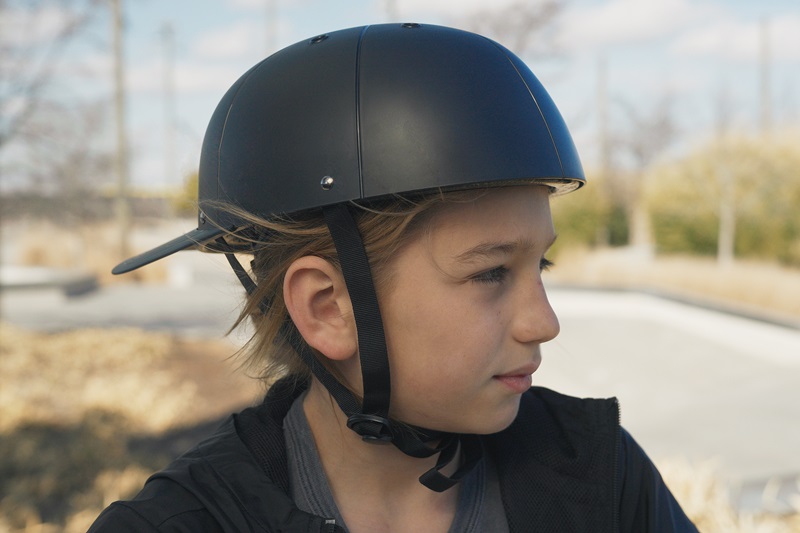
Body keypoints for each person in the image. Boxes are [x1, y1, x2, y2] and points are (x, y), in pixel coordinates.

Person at [89, 23, 698, 532]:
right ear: (329, 307)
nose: (545, 322)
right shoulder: (183, 523)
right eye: (490, 272)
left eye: (539, 264)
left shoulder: (596, 477)